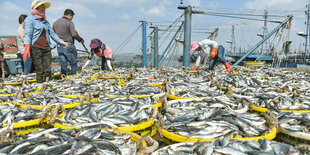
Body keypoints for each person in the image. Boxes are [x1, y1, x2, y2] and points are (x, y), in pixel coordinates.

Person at [24, 0, 67, 82]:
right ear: (35, 8)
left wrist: (61, 41)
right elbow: (28, 35)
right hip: (36, 48)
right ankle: (39, 86)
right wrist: (27, 48)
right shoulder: (30, 19)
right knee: (39, 70)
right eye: (41, 8)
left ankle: (48, 85)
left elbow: (52, 33)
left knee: (48, 70)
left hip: (47, 48)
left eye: (44, 8)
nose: (43, 9)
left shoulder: (45, 21)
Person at [53, 9, 84, 75]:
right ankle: (73, 75)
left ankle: (64, 76)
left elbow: (52, 34)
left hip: (59, 46)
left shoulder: (55, 22)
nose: (72, 19)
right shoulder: (70, 23)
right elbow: (74, 34)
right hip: (68, 45)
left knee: (63, 63)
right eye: (72, 17)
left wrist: (58, 41)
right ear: (69, 15)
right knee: (73, 62)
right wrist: (80, 39)